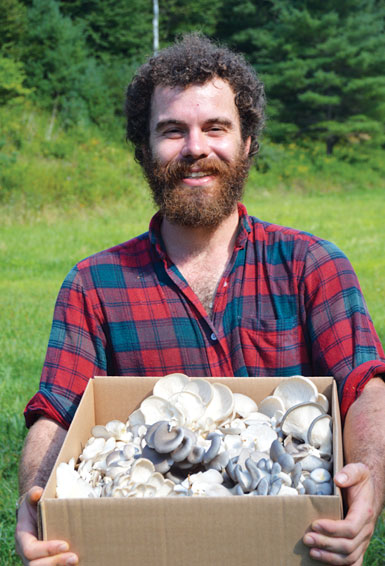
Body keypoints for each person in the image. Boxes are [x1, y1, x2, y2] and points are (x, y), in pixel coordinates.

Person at [16, 34, 385, 566]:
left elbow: (363, 386)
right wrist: (37, 497)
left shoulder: (312, 265)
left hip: (290, 546)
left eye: (216, 127)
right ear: (144, 150)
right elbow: (56, 411)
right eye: (172, 130)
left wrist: (367, 477)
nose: (195, 147)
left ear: (248, 142)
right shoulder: (94, 284)